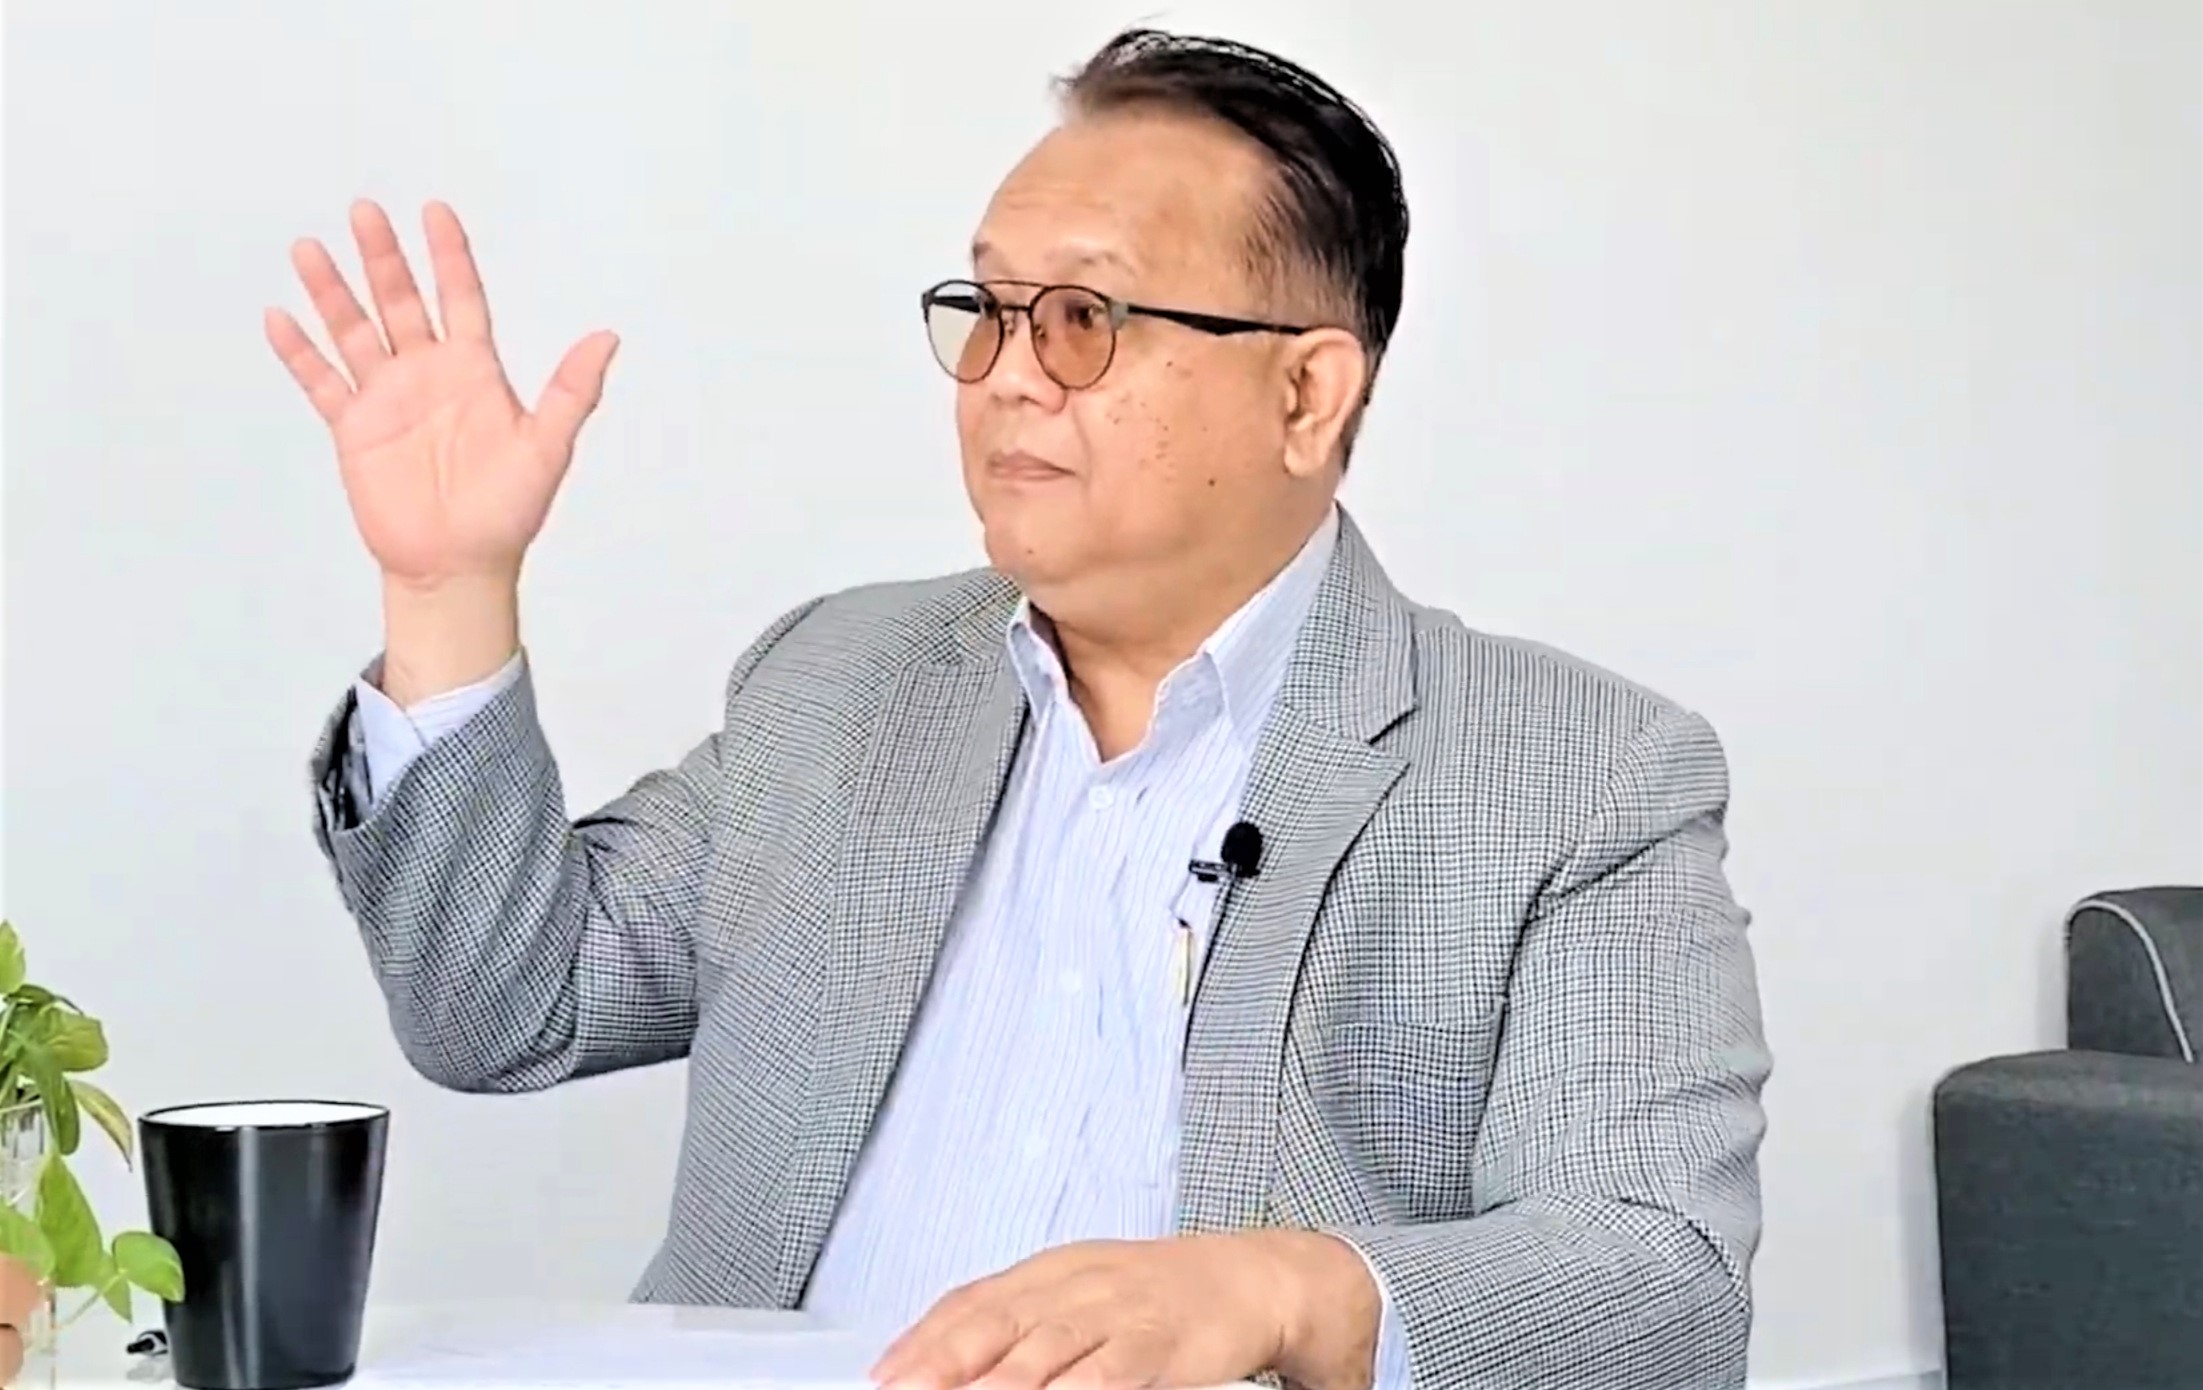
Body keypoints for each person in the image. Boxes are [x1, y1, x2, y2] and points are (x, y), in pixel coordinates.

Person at [273, 28, 1770, 1390]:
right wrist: (448, 591)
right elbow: (502, 1009)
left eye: (1082, 318)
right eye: (987, 310)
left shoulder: (1573, 774)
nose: (1004, 378)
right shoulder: (841, 679)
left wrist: (1282, 1290)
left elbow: (1661, 1281)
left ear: (1307, 397)